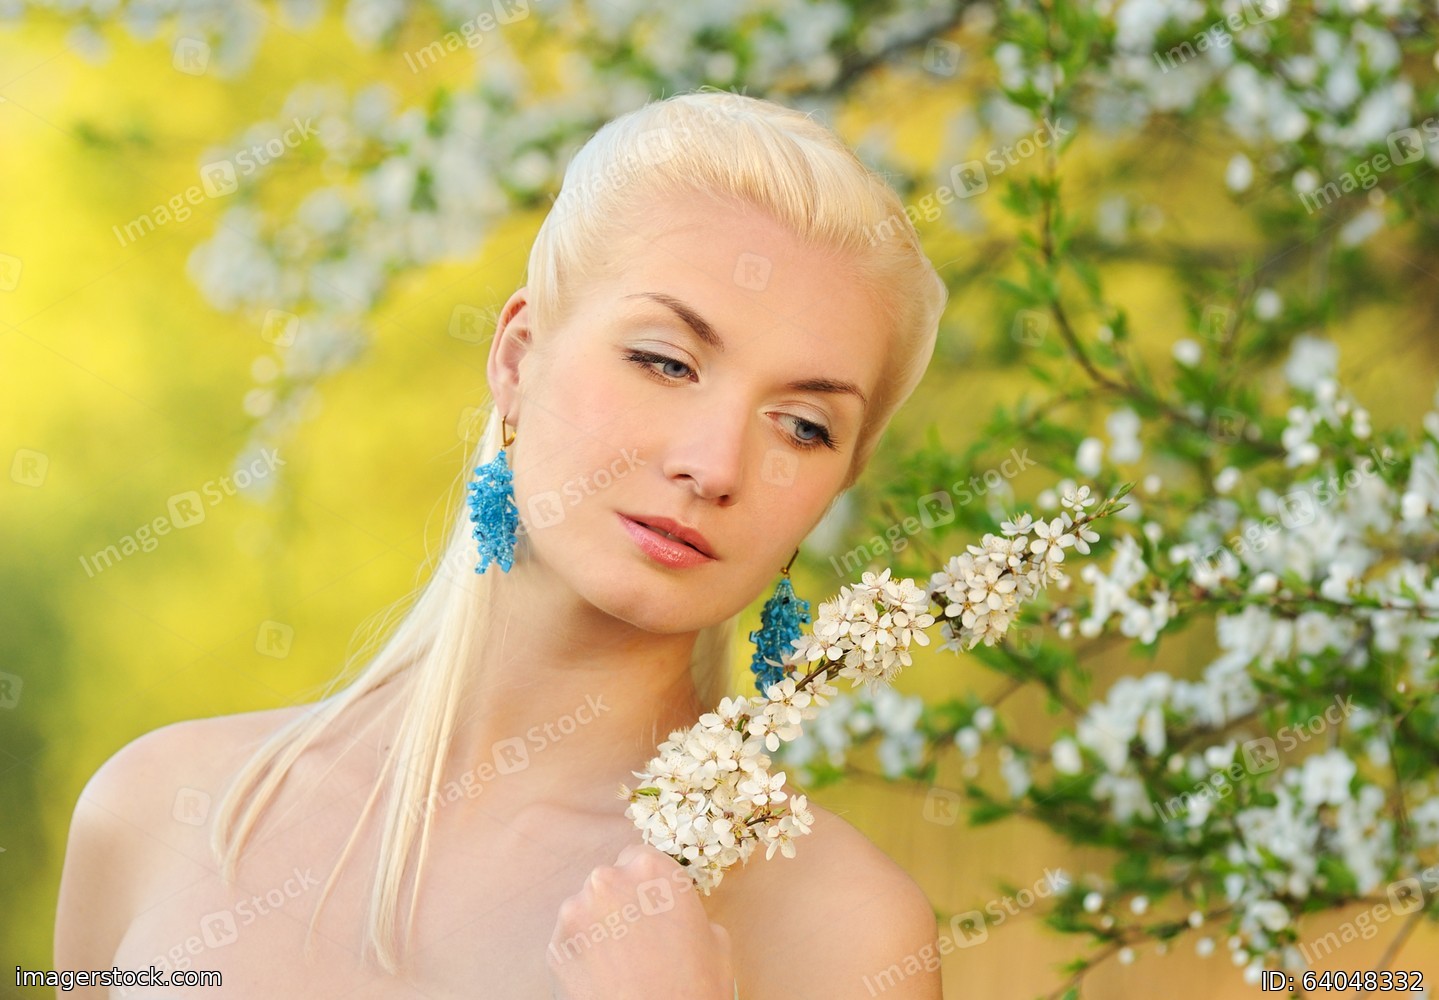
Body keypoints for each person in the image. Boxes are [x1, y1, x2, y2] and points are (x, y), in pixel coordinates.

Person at [54, 88, 949, 999]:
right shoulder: (156, 814)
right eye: (665, 362)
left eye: (802, 426)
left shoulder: (840, 932)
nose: (715, 466)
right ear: (518, 358)